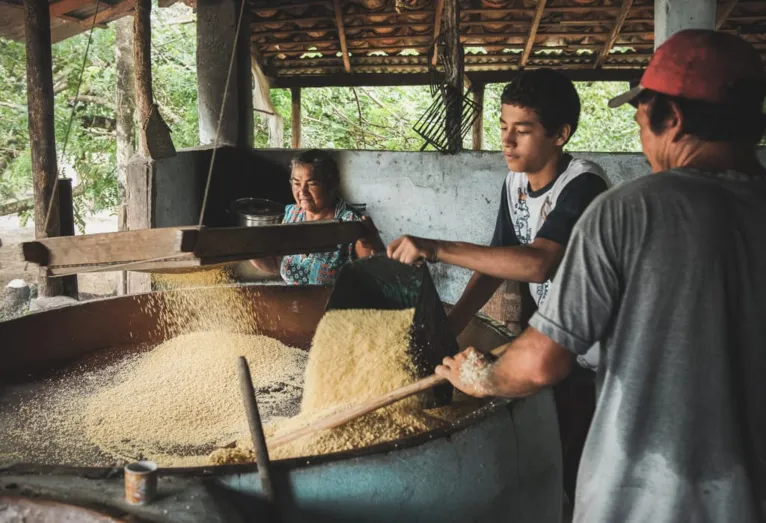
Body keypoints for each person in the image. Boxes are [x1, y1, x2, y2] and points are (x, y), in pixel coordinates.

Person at [435, 30, 766, 523]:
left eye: (640, 121)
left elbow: (541, 363)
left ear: (670, 119)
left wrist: (480, 376)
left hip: (643, 496)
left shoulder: (625, 210)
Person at [387, 69, 609, 498]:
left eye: (522, 132)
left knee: (586, 468)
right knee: (557, 459)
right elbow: (496, 264)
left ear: (560, 134)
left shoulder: (583, 183)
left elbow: (538, 264)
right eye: (503, 127)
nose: (506, 142)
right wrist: (451, 327)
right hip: (558, 342)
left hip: (601, 352)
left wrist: (436, 247)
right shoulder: (514, 184)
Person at [251, 149, 383, 285]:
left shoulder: (352, 224)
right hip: (295, 303)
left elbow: (377, 278)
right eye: (296, 183)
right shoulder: (292, 214)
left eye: (311, 184)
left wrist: (374, 242)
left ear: (332, 184)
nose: (302, 191)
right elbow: (281, 263)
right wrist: (252, 252)